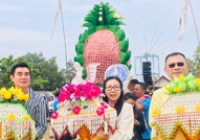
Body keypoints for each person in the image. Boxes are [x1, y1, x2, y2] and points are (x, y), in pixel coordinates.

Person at [149, 52, 189, 139]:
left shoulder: (197, 91)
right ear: (166, 70)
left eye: (180, 64)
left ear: (187, 66)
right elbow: (153, 123)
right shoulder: (158, 94)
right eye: (172, 65)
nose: (176, 67)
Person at [10, 62, 48, 140]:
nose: (24, 77)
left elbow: (42, 125)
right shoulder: (5, 99)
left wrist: (30, 137)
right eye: (20, 74)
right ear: (12, 77)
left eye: (27, 74)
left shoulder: (39, 99)